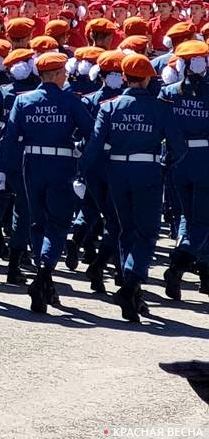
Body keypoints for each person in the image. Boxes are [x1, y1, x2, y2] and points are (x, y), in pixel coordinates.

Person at [0, 51, 93, 313]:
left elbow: (10, 137)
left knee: (37, 222)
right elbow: (90, 134)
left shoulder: (23, 101)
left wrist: (2, 170)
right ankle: (44, 270)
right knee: (58, 222)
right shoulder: (70, 101)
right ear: (58, 75)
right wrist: (82, 161)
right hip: (61, 166)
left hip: (31, 165)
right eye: (63, 73)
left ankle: (44, 278)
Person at [83, 50, 169, 321]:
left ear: (125, 77)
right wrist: (164, 167)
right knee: (147, 232)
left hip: (117, 173)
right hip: (148, 172)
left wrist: (81, 173)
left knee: (125, 230)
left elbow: (95, 145)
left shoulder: (109, 106)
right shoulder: (160, 107)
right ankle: (130, 282)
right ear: (146, 80)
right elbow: (177, 147)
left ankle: (131, 289)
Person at [162, 40, 209, 300]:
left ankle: (202, 272)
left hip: (177, 159)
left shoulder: (168, 92)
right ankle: (178, 266)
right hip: (204, 159)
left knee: (187, 217)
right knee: (202, 219)